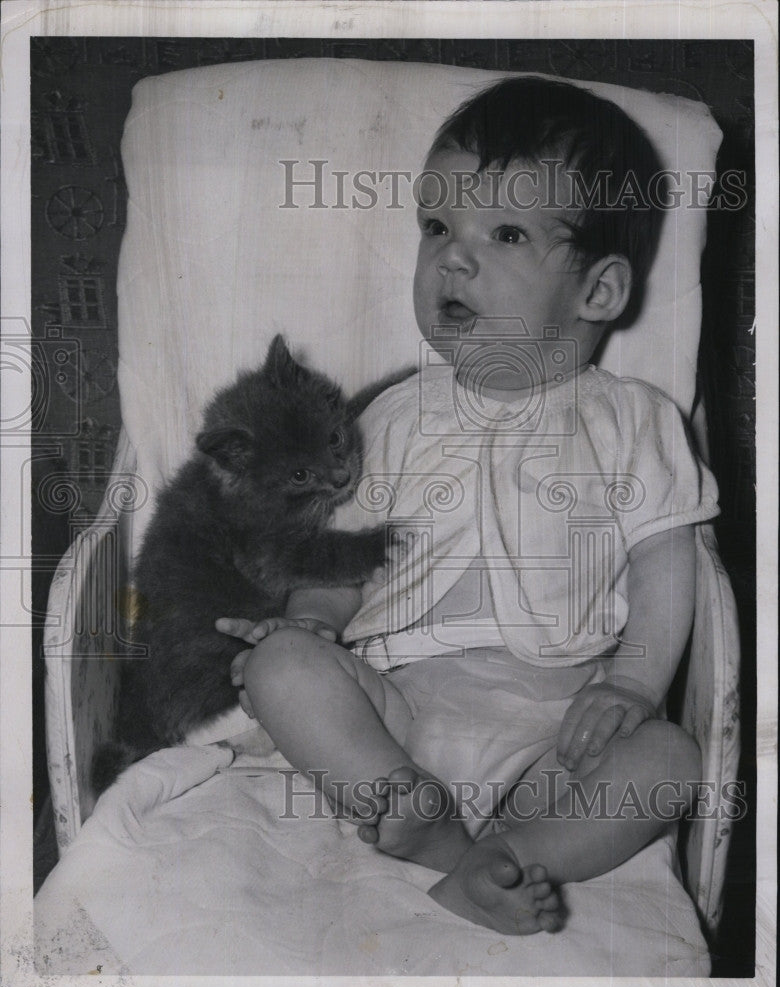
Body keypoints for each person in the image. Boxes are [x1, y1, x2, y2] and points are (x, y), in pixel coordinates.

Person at [216, 77, 719, 934]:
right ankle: (428, 824)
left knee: (669, 761)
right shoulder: (393, 416)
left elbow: (665, 559)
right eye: (437, 227)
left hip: (561, 723)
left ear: (598, 292)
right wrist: (310, 621)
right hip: (398, 708)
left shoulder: (635, 421)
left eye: (507, 233)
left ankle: (513, 856)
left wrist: (635, 681)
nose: (451, 257)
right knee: (280, 669)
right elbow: (346, 557)